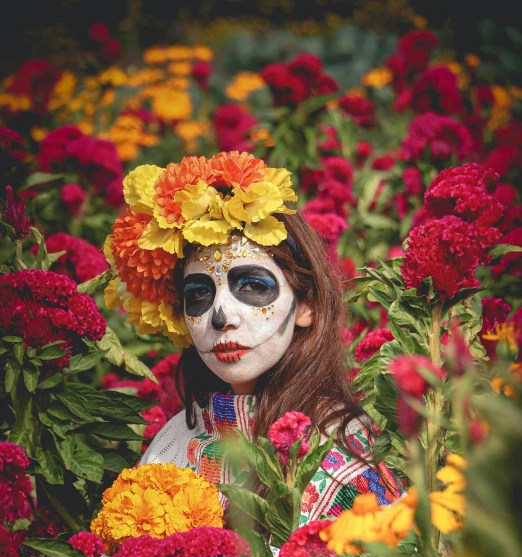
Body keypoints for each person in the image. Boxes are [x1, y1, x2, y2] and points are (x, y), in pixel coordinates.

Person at [104, 151, 402, 530]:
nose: (221, 316)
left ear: (306, 306)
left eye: (252, 286)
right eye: (198, 294)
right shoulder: (179, 438)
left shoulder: (344, 446)